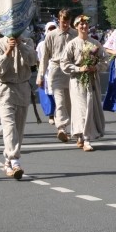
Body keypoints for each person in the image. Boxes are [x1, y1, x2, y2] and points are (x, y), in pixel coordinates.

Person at [0, 30, 37, 179]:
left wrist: (20, 45)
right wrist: (8, 51)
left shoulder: (28, 42)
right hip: (5, 89)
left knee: (18, 129)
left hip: (22, 88)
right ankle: (15, 160)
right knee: (9, 127)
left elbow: (33, 61)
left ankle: (7, 161)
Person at [61, 15, 106, 151]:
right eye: (80, 24)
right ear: (76, 26)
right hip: (77, 80)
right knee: (81, 108)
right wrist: (78, 68)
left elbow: (104, 61)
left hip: (92, 79)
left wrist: (96, 67)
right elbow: (64, 63)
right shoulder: (72, 44)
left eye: (86, 24)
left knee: (90, 107)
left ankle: (82, 136)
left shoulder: (95, 44)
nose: (83, 26)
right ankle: (86, 138)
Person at [37, 9, 77, 142]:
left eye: (67, 21)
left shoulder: (75, 34)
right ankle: (61, 128)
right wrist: (40, 75)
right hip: (56, 69)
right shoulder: (51, 35)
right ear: (59, 20)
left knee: (70, 102)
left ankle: (70, 127)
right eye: (62, 21)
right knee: (59, 101)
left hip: (71, 70)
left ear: (70, 21)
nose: (65, 24)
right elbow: (45, 57)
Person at [36, 22, 58, 125]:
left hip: (58, 71)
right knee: (48, 93)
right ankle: (51, 115)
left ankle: (59, 115)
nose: (52, 31)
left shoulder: (60, 41)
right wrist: (40, 75)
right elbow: (39, 60)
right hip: (46, 72)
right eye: (50, 29)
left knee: (58, 93)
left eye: (54, 28)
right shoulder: (41, 44)